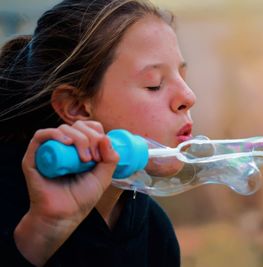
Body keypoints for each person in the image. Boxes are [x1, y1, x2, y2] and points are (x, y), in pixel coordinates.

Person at [0, 0, 196, 266]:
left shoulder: (154, 230)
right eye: (154, 84)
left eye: (183, 77)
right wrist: (43, 229)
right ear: (76, 106)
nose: (188, 96)